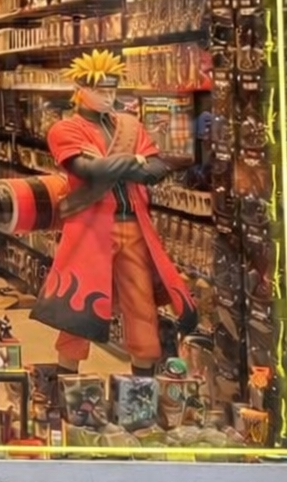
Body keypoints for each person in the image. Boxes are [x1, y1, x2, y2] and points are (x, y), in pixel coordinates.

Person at [35, 50, 196, 379]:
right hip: (90, 227)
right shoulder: (65, 129)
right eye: (100, 90)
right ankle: (67, 380)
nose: (108, 96)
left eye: (112, 89)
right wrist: (133, 161)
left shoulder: (130, 125)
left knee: (141, 304)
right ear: (81, 89)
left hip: (133, 224)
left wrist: (121, 164)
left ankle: (142, 383)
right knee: (78, 303)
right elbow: (88, 170)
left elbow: (155, 169)